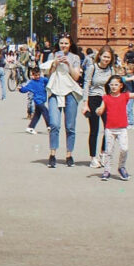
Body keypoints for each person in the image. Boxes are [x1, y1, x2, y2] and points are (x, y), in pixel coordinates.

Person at [96, 72, 134, 181]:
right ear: (108, 86)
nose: (113, 87)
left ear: (121, 86)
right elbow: (101, 109)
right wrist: (99, 111)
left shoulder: (125, 96)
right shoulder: (106, 97)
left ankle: (121, 167)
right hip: (110, 129)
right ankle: (107, 170)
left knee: (124, 149)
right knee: (109, 151)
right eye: (111, 84)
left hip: (122, 129)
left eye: (116, 84)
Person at [45, 34, 83, 168]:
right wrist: (54, 64)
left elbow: (76, 77)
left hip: (70, 92)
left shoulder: (75, 58)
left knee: (70, 126)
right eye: (61, 43)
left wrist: (68, 64)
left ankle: (69, 154)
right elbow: (47, 75)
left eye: (66, 43)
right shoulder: (52, 56)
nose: (63, 45)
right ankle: (52, 154)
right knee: (54, 124)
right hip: (55, 91)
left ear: (70, 44)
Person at [80, 45, 116, 168]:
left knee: (108, 129)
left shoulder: (111, 70)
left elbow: (114, 85)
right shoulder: (92, 68)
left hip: (106, 100)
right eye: (104, 56)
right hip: (93, 99)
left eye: (108, 57)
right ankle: (93, 157)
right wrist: (85, 103)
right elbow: (86, 85)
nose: (106, 59)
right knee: (94, 130)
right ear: (99, 56)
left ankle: (102, 153)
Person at [19, 66, 49, 133]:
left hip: (43, 100)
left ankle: (30, 127)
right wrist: (21, 89)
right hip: (38, 101)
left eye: (38, 74)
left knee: (37, 115)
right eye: (35, 75)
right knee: (46, 112)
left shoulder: (43, 80)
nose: (37, 76)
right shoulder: (32, 83)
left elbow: (49, 81)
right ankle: (49, 126)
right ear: (33, 75)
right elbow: (25, 89)